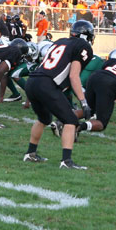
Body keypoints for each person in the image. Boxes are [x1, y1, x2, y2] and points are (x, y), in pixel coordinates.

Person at [23, 20, 95, 169]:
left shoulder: (60, 41)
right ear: (87, 36)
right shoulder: (83, 46)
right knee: (70, 120)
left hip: (33, 81)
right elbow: (73, 76)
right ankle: (66, 161)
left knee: (44, 118)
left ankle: (30, 154)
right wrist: (83, 101)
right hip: (47, 84)